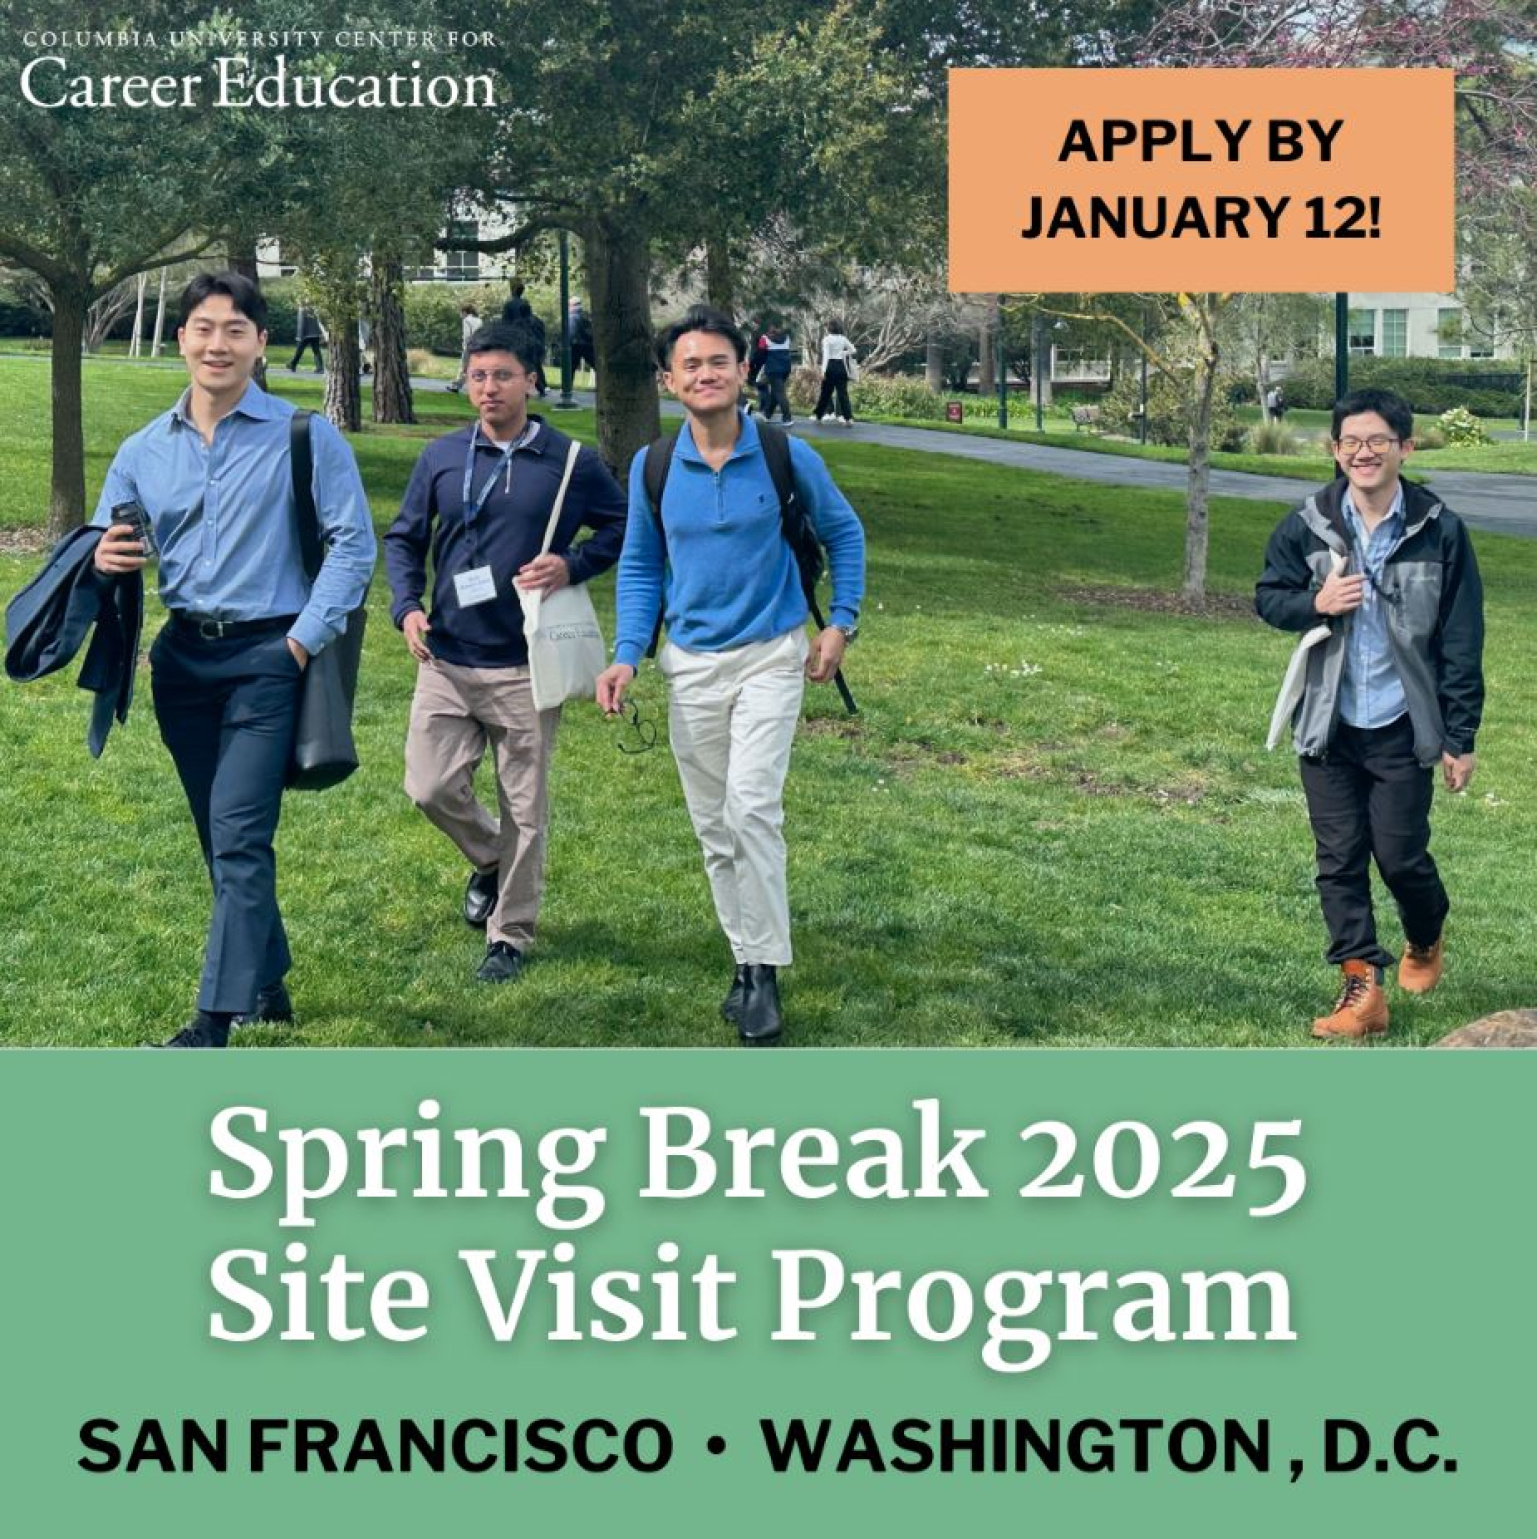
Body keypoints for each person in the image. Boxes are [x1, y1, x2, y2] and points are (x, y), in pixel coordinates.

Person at [89, 271, 376, 1047]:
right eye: (204, 328)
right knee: (220, 837)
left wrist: (298, 641)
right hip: (181, 666)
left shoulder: (306, 437)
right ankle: (266, 979)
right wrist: (110, 555)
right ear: (182, 339)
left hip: (268, 658)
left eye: (236, 329)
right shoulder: (143, 450)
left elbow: (354, 547)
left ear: (260, 344)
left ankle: (213, 1023)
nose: (218, 343)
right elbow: (105, 541)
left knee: (242, 833)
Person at [595, 306, 865, 1046]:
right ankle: (743, 960)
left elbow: (843, 531)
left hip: (771, 657)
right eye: (691, 364)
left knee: (751, 808)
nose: (706, 374)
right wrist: (625, 654)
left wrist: (840, 621)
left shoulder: (784, 455)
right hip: (689, 665)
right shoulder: (653, 466)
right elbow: (642, 567)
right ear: (668, 380)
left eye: (719, 361)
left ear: (744, 371)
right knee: (715, 828)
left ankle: (766, 970)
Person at [384, 323, 627, 983]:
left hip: (525, 662)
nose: (488, 387)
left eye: (502, 375)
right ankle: (491, 860)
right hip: (447, 657)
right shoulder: (440, 455)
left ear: (531, 381)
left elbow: (623, 524)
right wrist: (406, 607)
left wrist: (571, 563)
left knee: (526, 805)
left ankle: (510, 936)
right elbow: (403, 538)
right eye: (477, 375)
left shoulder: (569, 461)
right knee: (428, 785)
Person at [1256, 387, 1484, 1041]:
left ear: (1403, 448)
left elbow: (1460, 639)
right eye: (1350, 441)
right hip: (1327, 723)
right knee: (1338, 859)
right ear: (1333, 450)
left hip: (1400, 724)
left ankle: (1425, 930)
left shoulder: (1438, 529)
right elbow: (1268, 596)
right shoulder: (1308, 523)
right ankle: (1362, 991)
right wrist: (1316, 602)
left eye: (1377, 440)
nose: (1363, 452)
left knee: (1400, 854)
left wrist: (1459, 735)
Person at [501, 280, 549, 397]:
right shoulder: (525, 304)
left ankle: (516, 386)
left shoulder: (509, 305)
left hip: (514, 336)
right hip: (527, 336)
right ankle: (540, 387)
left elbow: (505, 323)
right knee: (532, 363)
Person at [811, 318, 857, 425]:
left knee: (825, 393)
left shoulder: (827, 339)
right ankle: (848, 418)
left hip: (830, 367)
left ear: (829, 328)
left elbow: (826, 356)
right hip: (841, 367)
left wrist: (823, 371)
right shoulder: (843, 338)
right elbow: (853, 350)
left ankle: (818, 415)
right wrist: (843, 353)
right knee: (843, 394)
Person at [758, 325, 794, 425]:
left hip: (773, 369)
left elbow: (761, 353)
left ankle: (787, 418)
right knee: (776, 392)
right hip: (786, 368)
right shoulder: (787, 337)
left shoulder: (764, 338)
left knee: (779, 393)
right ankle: (767, 414)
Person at [448, 301, 481, 392]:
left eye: (461, 312)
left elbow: (467, 335)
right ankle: (460, 385)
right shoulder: (479, 320)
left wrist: (465, 346)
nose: (460, 315)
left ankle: (456, 386)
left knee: (464, 366)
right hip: (479, 346)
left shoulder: (466, 320)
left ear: (465, 312)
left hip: (470, 346)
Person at [289, 303, 325, 372]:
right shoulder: (315, 308)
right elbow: (319, 321)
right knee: (316, 351)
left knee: (299, 350)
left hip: (305, 334)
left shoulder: (302, 309)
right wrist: (320, 333)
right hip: (315, 334)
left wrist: (300, 336)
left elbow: (301, 323)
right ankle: (320, 367)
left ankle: (292, 364)